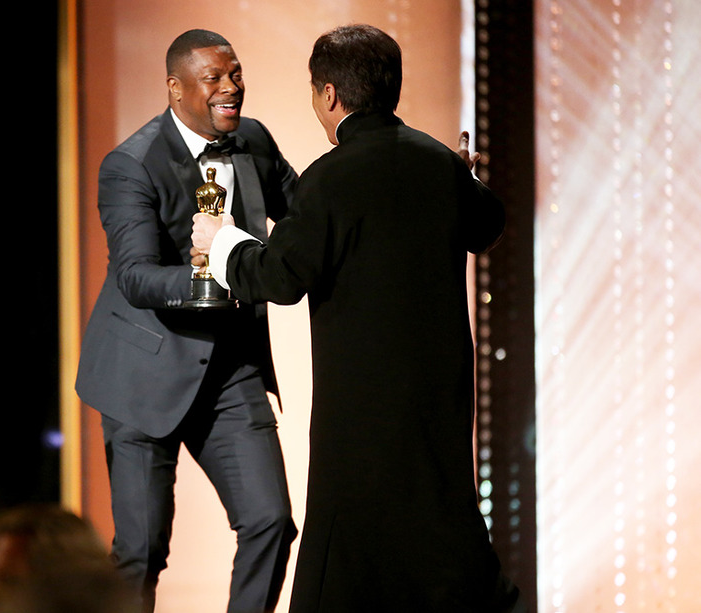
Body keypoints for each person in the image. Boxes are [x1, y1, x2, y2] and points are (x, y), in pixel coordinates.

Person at [192, 24, 524, 613]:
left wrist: (221, 241)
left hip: (361, 410)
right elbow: (488, 225)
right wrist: (463, 176)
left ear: (329, 95)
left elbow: (278, 277)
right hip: (438, 404)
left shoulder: (329, 177)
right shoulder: (438, 163)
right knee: (442, 534)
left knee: (348, 553)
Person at [75, 29, 298, 613]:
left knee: (271, 521)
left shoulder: (253, 141)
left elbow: (306, 215)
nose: (231, 88)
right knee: (142, 551)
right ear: (175, 88)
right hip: (143, 373)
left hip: (228, 371)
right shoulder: (131, 164)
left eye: (236, 74)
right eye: (214, 78)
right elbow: (136, 277)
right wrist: (224, 270)